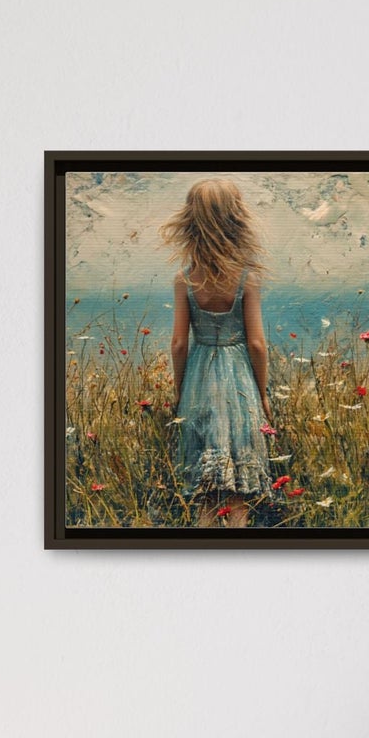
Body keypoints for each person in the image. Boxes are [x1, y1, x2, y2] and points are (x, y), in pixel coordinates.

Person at [160, 178, 273, 526]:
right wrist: (263, 393)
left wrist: (179, 389)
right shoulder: (246, 278)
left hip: (199, 378)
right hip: (238, 379)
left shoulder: (185, 279)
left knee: (206, 485)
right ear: (234, 220)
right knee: (235, 485)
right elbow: (256, 343)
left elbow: (179, 344)